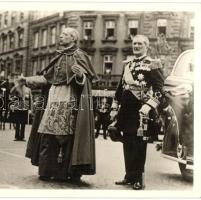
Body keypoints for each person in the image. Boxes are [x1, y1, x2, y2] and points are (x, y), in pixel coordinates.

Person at [24, 27, 97, 182]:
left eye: (64, 35)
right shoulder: (58, 56)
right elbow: (47, 78)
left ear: (73, 38)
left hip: (69, 98)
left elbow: (87, 80)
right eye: (61, 34)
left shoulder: (80, 55)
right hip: (53, 98)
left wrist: (80, 76)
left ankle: (66, 171)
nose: (61, 36)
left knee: (66, 136)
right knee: (48, 135)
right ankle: (46, 170)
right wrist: (27, 80)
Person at [111, 35, 167, 190]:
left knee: (139, 145)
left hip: (142, 111)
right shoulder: (127, 64)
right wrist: (114, 107)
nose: (136, 46)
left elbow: (160, 89)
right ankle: (129, 176)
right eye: (134, 43)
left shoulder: (152, 64)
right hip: (126, 111)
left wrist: (149, 105)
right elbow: (121, 88)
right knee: (127, 143)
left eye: (140, 44)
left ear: (146, 46)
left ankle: (139, 178)